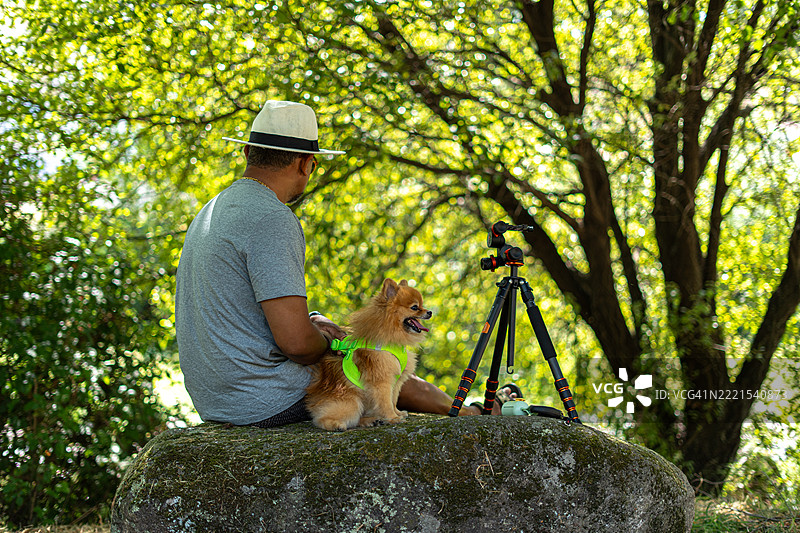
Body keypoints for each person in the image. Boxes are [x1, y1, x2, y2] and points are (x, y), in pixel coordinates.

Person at [175, 99, 510, 428]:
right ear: (306, 164)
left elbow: (243, 317)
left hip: (218, 399)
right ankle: (471, 414)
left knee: (368, 352)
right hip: (263, 400)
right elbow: (297, 345)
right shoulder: (272, 218)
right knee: (376, 359)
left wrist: (314, 322)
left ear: (248, 152)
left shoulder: (212, 210)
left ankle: (466, 409)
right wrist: (332, 343)